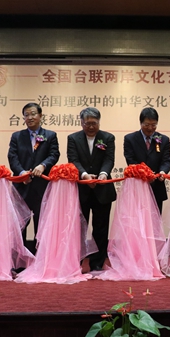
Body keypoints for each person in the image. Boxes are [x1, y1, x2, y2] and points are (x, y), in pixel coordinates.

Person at [67, 107, 116, 271]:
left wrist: (103, 174)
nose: (91, 126)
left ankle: (97, 264)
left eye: (94, 123)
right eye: (87, 123)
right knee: (79, 228)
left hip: (102, 189)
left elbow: (109, 160)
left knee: (101, 228)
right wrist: (85, 175)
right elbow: (73, 160)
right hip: (82, 189)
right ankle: (77, 263)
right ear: (81, 122)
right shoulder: (73, 138)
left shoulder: (108, 138)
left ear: (99, 122)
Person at [7, 103, 60, 249]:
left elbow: (54, 154)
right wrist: (22, 173)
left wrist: (43, 165)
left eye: (33, 114)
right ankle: (20, 257)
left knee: (41, 224)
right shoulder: (17, 136)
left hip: (41, 187)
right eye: (26, 115)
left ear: (40, 115)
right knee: (20, 225)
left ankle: (40, 256)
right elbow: (12, 157)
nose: (30, 117)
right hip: (21, 187)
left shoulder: (50, 135)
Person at [123, 108, 170, 213]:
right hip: (138, 186)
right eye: (146, 125)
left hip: (157, 187)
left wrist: (163, 171)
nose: (150, 128)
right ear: (140, 123)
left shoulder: (164, 139)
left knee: (155, 220)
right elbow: (131, 160)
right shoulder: (130, 139)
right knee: (137, 219)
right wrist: (145, 175)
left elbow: (166, 160)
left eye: (153, 125)